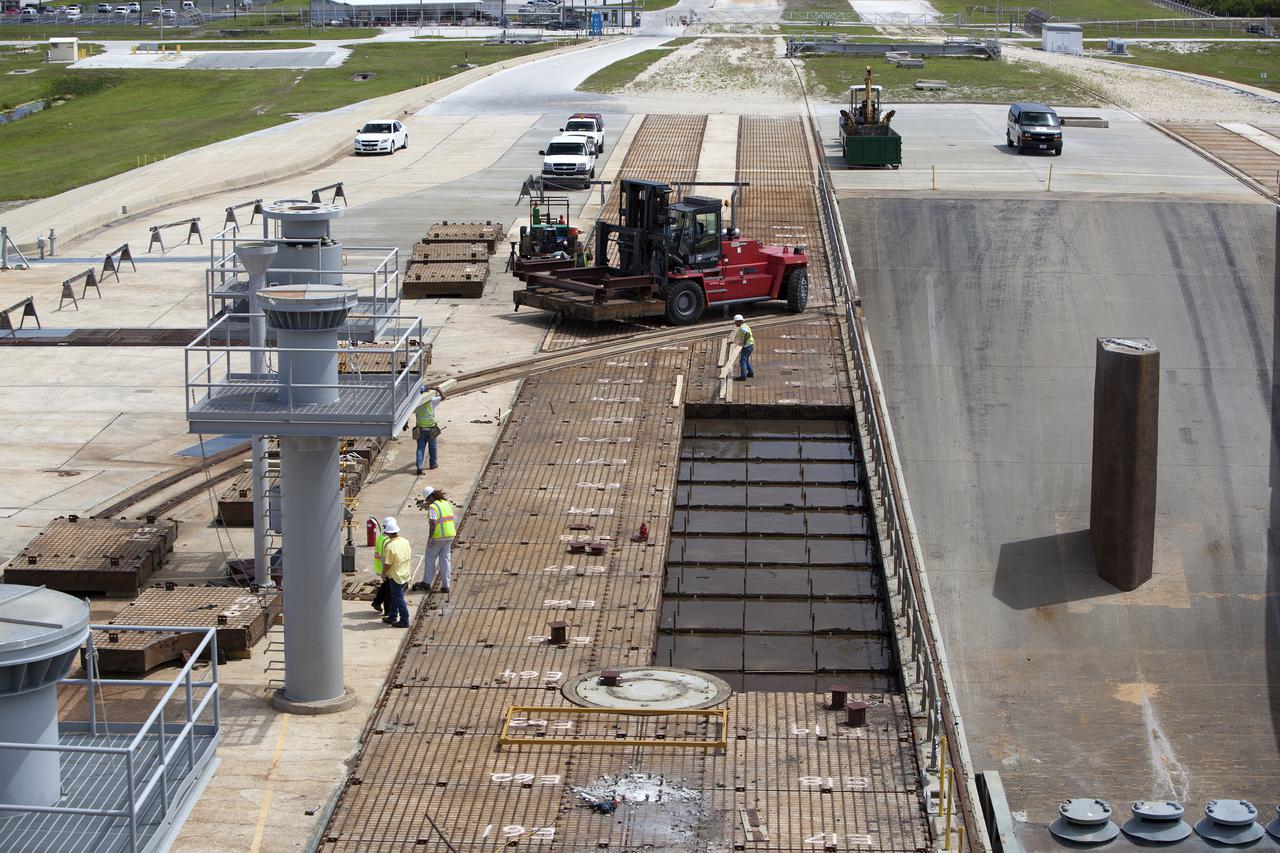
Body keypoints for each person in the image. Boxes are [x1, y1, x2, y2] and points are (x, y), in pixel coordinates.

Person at [417, 485, 457, 594]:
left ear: (430, 498)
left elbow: (433, 523)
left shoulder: (433, 507)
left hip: (438, 536)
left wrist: (430, 537)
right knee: (445, 559)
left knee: (430, 558)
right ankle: (446, 585)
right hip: (450, 535)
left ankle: (426, 582)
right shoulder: (447, 503)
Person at [379, 516, 412, 629]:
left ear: (387, 532)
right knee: (395, 596)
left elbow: (387, 564)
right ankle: (392, 616)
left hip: (395, 576)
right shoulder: (405, 541)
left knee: (398, 598)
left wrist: (383, 575)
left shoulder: (390, 546)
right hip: (405, 574)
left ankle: (405, 620)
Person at [413, 385, 444, 475]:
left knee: (420, 448)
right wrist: (438, 389)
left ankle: (419, 466)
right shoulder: (431, 401)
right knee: (433, 447)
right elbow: (443, 397)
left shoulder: (416, 404)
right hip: (431, 429)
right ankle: (433, 464)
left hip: (420, 430)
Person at [370, 518, 388, 615]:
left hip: (382, 567)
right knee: (388, 589)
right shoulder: (385, 539)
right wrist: (384, 573)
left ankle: (377, 602)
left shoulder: (381, 537)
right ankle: (387, 610)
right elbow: (383, 558)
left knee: (385, 587)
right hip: (384, 568)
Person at [732, 314, 754, 380]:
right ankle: (750, 372)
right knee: (746, 359)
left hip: (747, 346)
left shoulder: (742, 327)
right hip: (751, 345)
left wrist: (744, 343)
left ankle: (743, 376)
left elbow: (747, 334)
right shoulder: (745, 326)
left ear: (739, 321)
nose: (735, 323)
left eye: (735, 322)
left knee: (742, 361)